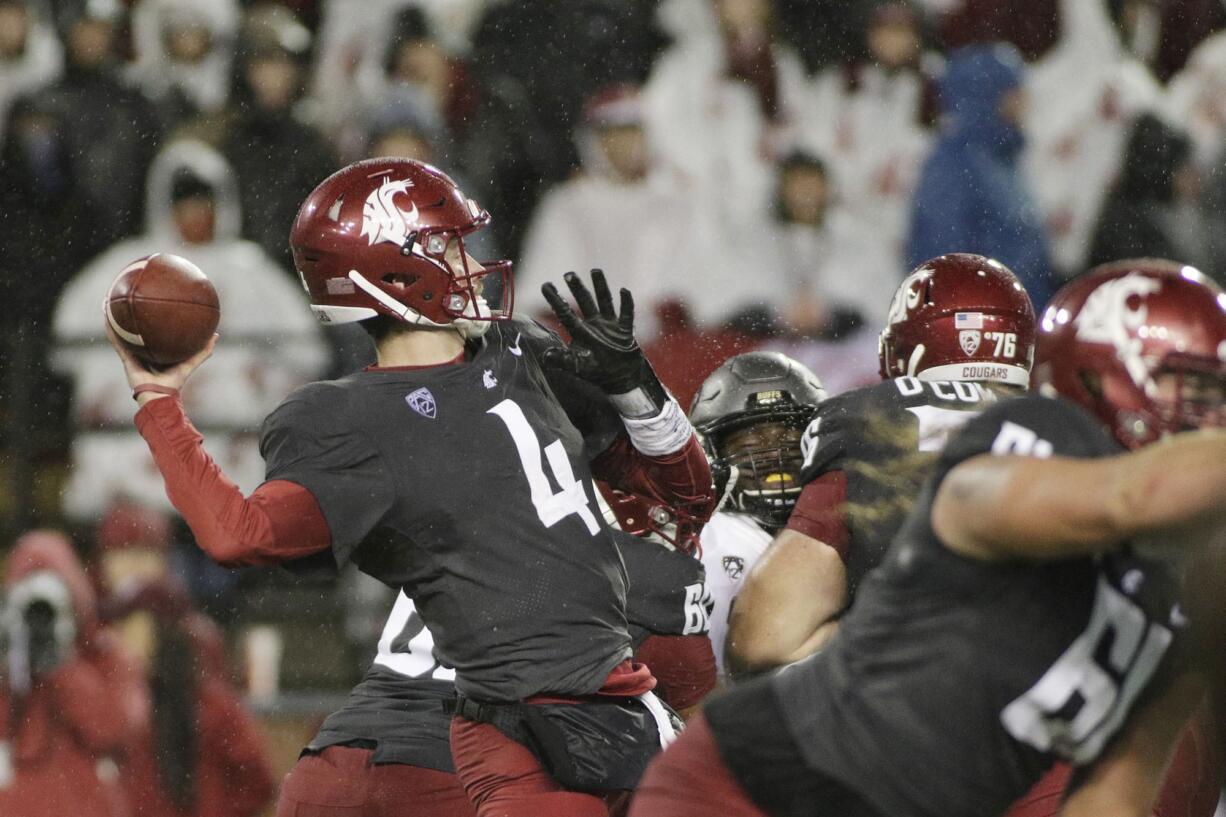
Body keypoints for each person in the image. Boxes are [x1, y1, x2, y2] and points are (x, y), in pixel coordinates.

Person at [105, 157, 716, 817]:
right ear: (395, 271)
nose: (466, 260)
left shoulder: (510, 354)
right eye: (443, 247)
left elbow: (685, 490)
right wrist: (161, 400)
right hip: (471, 753)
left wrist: (634, 386)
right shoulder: (376, 415)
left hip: (353, 758)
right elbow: (238, 534)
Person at [628, 258, 1226, 817]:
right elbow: (1134, 497)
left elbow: (1113, 796)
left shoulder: (1186, 591)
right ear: (1100, 378)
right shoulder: (1019, 442)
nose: (1216, 422)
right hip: (750, 785)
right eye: (1199, 395)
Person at [725, 252, 1035, 675]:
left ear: (912, 345)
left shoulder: (869, 418)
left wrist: (886, 623)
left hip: (919, 696)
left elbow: (763, 638)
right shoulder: (1071, 429)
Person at [686, 350, 827, 677]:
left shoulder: (841, 517)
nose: (775, 453)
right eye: (751, 439)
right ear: (713, 452)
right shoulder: (714, 539)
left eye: (790, 433)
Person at [0, 530, 138, 817]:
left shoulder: (104, 655)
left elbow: (113, 731)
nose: (40, 621)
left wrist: (63, 667)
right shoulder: (7, 658)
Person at [906, 43, 1053, 307]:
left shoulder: (1004, 158)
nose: (1024, 102)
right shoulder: (953, 164)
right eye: (1013, 93)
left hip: (1022, 320)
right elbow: (943, 262)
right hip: (984, 325)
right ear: (986, 95)